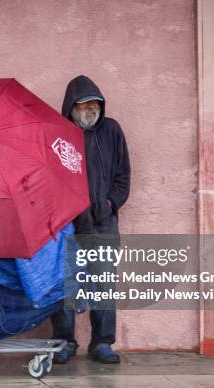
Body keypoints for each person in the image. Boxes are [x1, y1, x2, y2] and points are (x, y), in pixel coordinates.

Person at [51, 74, 131, 364]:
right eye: (83, 106)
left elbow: (123, 177)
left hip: (103, 224)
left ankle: (102, 343)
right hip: (67, 225)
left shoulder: (111, 130)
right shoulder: (58, 134)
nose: (89, 111)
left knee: (104, 283)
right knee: (64, 284)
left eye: (94, 106)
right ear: (71, 107)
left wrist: (109, 203)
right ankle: (64, 342)